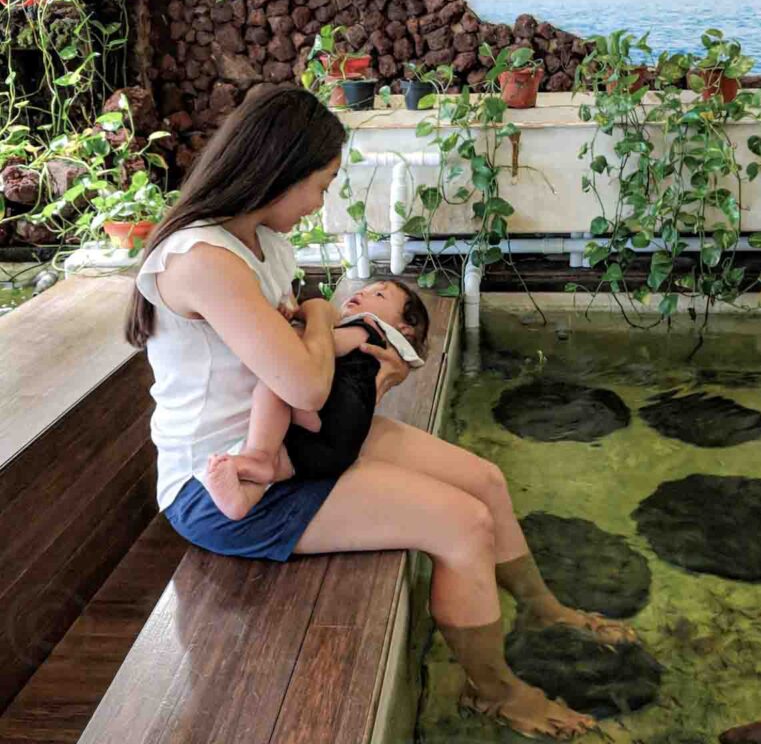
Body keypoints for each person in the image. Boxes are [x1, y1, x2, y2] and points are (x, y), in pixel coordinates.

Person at [127, 85, 635, 741]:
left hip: (297, 444)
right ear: (277, 170)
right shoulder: (203, 260)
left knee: (483, 480)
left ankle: (540, 608)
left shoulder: (259, 244)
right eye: (320, 183)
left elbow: (305, 369)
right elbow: (305, 383)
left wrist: (331, 344)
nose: (320, 203)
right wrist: (318, 315)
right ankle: (497, 693)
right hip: (227, 485)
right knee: (462, 525)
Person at [204, 279, 430, 518]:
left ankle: (259, 455)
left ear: (404, 329)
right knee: (282, 461)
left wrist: (283, 329)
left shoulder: (368, 330)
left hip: (328, 421)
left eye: (380, 295)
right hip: (330, 444)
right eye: (366, 288)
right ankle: (243, 498)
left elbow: (314, 348)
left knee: (279, 380)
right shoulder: (374, 348)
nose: (363, 292)